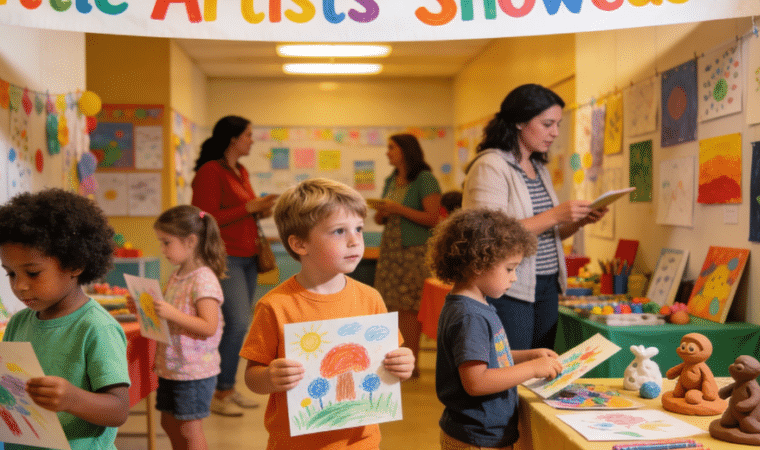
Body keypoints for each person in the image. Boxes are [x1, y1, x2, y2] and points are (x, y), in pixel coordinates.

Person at [0, 189, 130, 450]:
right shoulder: (18, 323)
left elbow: (118, 410)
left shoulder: (96, 327)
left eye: (33, 273)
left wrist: (73, 399)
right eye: (11, 274)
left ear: (75, 265)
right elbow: (5, 392)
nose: (20, 286)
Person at [241, 178, 416, 449]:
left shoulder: (370, 298)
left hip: (362, 442)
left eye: (358, 229)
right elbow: (253, 377)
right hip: (296, 443)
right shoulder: (275, 306)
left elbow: (392, 359)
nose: (354, 240)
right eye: (338, 231)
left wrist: (403, 363)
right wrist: (269, 378)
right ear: (300, 244)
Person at [462, 84, 606, 351]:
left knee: (541, 364)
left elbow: (547, 235)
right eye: (547, 124)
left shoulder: (539, 168)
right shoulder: (490, 166)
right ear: (519, 121)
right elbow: (488, 235)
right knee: (512, 368)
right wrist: (555, 215)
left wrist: (578, 221)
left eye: (558, 124)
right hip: (510, 287)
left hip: (546, 283)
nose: (554, 133)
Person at [428, 208, 563, 449]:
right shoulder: (470, 316)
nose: (514, 278)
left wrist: (527, 356)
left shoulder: (474, 306)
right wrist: (532, 369)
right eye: (509, 268)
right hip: (476, 438)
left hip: (482, 434)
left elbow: (487, 359)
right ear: (479, 263)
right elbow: (477, 381)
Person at [191, 115, 277, 416]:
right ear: (233, 138)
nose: (252, 140)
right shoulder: (210, 172)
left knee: (238, 325)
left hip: (249, 256)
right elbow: (204, 217)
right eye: (249, 135)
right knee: (237, 323)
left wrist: (259, 211)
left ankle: (226, 387)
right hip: (225, 257)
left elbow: (239, 213)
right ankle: (220, 390)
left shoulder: (240, 171)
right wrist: (249, 207)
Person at [146, 205, 228, 450]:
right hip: (173, 367)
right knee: (169, 423)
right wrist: (146, 307)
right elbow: (169, 316)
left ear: (190, 241)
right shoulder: (177, 275)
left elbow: (208, 326)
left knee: (189, 429)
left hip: (194, 371)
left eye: (166, 243)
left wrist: (172, 313)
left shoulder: (203, 279)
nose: (162, 250)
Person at [372, 133, 442, 379]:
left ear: (405, 150)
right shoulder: (392, 179)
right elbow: (382, 215)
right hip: (391, 251)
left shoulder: (425, 179)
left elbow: (433, 218)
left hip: (414, 253)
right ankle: (396, 360)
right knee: (390, 306)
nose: (387, 152)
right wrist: (382, 213)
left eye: (391, 148)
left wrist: (397, 209)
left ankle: (411, 365)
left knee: (410, 308)